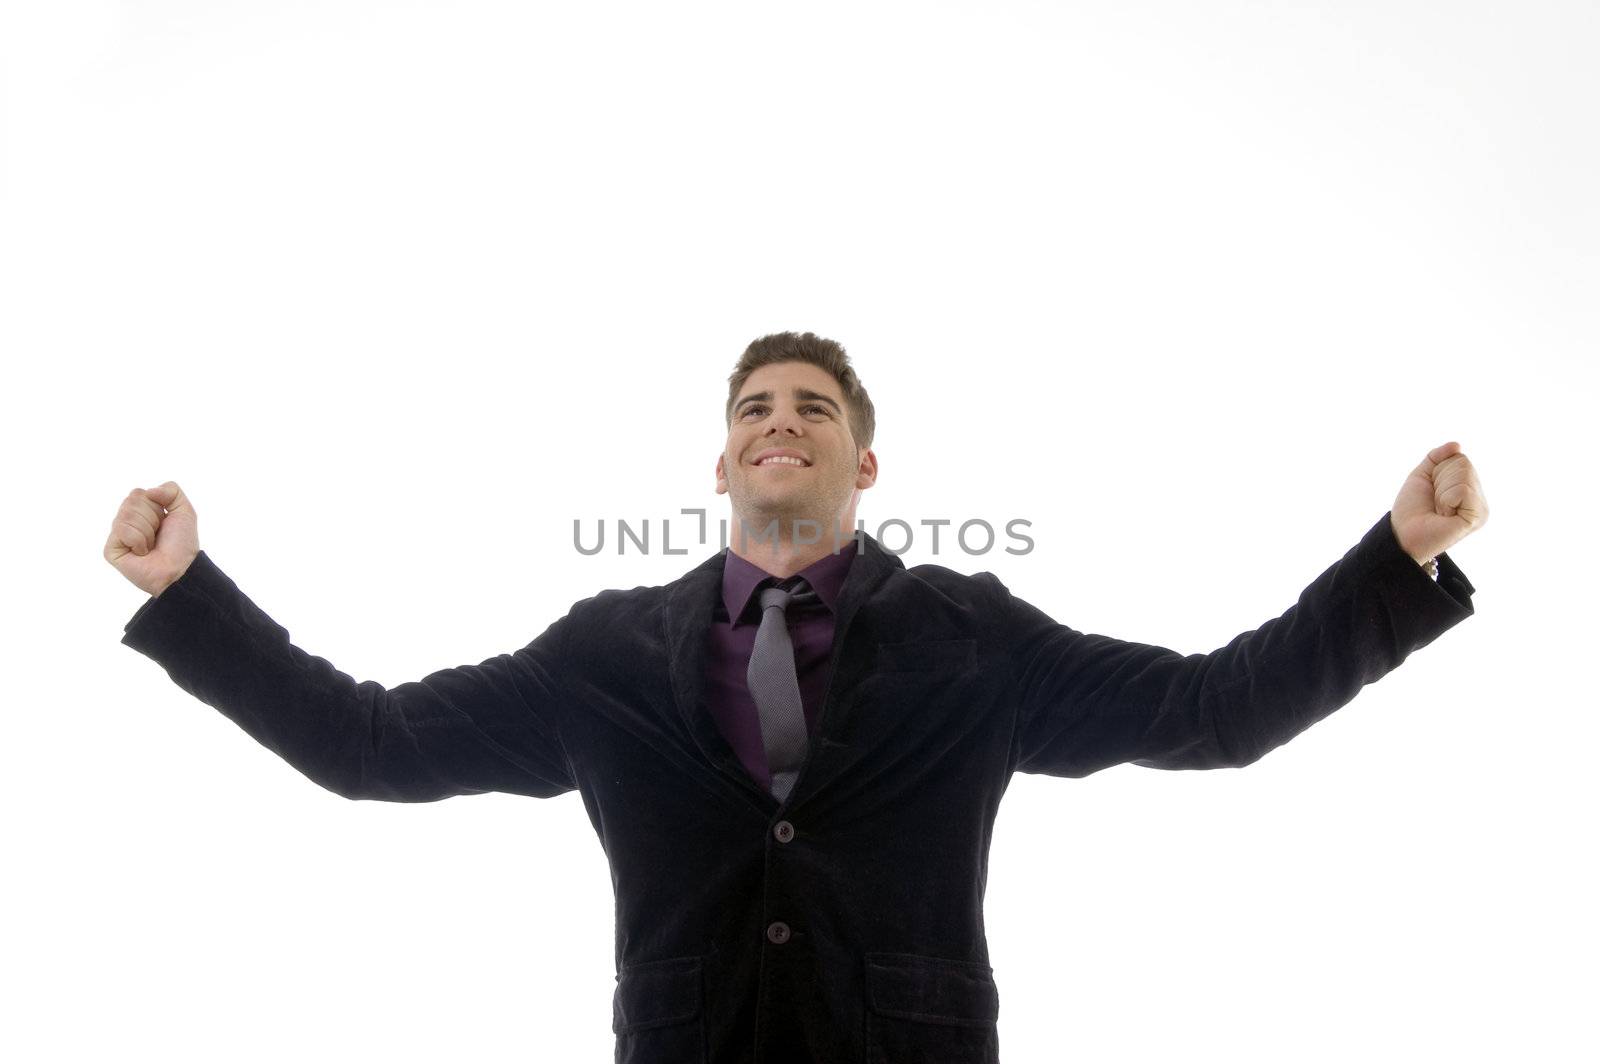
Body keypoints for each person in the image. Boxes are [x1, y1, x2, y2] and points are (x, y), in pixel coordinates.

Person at [105, 330, 1487, 1064]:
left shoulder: (974, 636)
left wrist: (1398, 559)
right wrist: (188, 594)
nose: (782, 419)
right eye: (757, 405)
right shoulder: (600, 654)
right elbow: (370, 745)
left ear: (865, 466)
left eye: (815, 406)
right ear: (718, 463)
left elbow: (1216, 710)